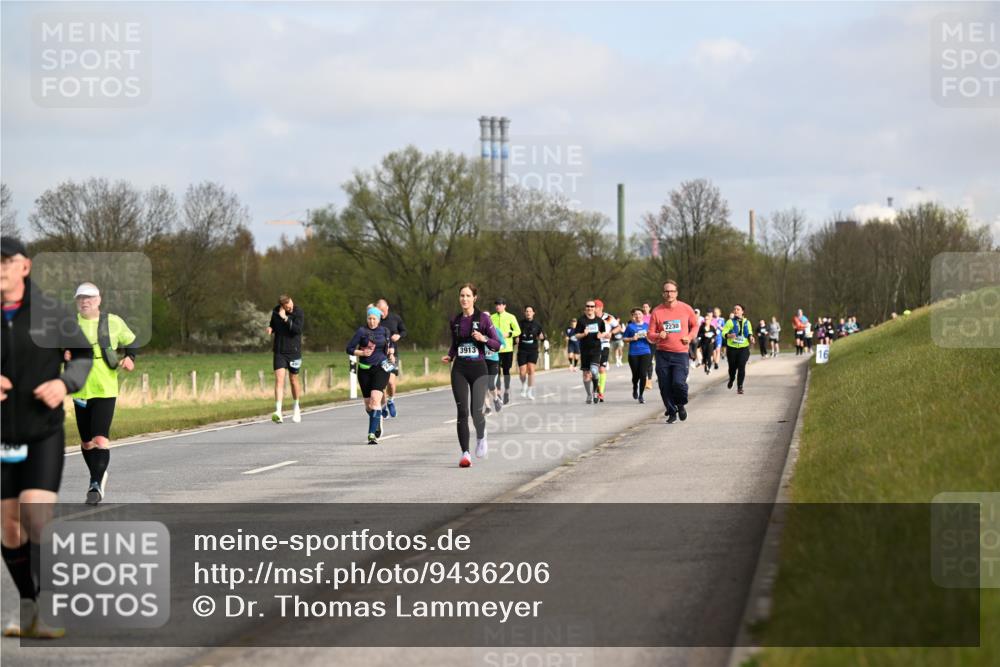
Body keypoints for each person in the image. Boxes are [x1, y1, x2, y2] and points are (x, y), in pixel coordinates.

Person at [1, 237, 93, 638]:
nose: (1, 267)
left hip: (42, 432)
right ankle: (29, 606)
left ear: (26, 266)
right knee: (8, 527)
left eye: (8, 260)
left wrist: (64, 382)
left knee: (36, 516)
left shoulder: (52, 312)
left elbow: (84, 355)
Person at [70, 282, 138, 505]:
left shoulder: (113, 322)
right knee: (87, 442)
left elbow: (132, 342)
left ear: (99, 300)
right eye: (81, 298)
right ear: (76, 301)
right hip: (80, 388)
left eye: (89, 298)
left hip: (105, 387)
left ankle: (95, 484)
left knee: (100, 438)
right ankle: (98, 475)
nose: (85, 301)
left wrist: (130, 358)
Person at [442, 284, 501, 467]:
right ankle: (465, 453)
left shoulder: (483, 319)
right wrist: (450, 355)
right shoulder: (455, 320)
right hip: (459, 368)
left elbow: (497, 344)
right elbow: (455, 343)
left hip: (479, 369)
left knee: (476, 413)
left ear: (475, 298)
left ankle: (482, 437)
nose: (464, 299)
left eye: (468, 295)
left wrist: (483, 339)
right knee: (462, 411)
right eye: (462, 295)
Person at [647, 280, 699, 424]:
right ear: (663, 293)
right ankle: (671, 411)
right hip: (662, 353)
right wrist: (658, 335)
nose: (669, 294)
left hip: (680, 353)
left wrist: (689, 337)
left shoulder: (686, 308)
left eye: (672, 291)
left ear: (676, 293)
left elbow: (695, 325)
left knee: (678, 383)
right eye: (666, 291)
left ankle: (680, 404)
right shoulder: (657, 311)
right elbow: (650, 334)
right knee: (665, 385)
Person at [346, 307, 394, 445]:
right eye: (369, 318)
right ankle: (377, 420)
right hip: (364, 370)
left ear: (379, 319)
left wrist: (391, 355)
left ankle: (371, 434)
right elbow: (348, 349)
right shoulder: (362, 331)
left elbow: (390, 346)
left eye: (374, 319)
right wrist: (361, 353)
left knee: (375, 400)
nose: (372, 321)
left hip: (381, 368)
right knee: (368, 406)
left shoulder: (385, 331)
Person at [267, 295, 304, 423]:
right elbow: (273, 324)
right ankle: (278, 411)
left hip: (294, 352)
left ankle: (296, 407)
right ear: (282, 306)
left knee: (293, 380)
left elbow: (297, 330)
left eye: (291, 304)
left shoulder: (298, 312)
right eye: (287, 306)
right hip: (279, 352)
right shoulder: (275, 312)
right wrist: (270, 329)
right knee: (279, 380)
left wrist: (285, 318)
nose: (290, 307)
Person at [376, 299, 406, 419]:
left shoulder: (395, 318)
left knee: (390, 383)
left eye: (383, 310)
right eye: (379, 311)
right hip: (379, 355)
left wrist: (399, 335)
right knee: (381, 384)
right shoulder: (375, 320)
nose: (381, 313)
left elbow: (404, 331)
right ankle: (383, 407)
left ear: (387, 308)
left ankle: (391, 400)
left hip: (391, 355)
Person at [573, 300, 606, 405]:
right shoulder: (581, 321)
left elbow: (604, 331)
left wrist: (601, 335)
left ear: (595, 308)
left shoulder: (599, 321)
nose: (590, 308)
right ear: (585, 308)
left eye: (592, 306)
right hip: (585, 350)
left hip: (596, 349)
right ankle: (589, 394)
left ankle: (595, 391)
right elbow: (576, 335)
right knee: (586, 374)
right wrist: (584, 334)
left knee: (595, 371)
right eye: (588, 306)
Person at [490, 298, 520, 405]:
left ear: (504, 306)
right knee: (496, 371)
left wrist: (509, 334)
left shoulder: (511, 317)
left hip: (507, 348)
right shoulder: (491, 317)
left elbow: (518, 330)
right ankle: (498, 392)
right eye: (496, 305)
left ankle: (506, 391)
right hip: (495, 349)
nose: (498, 306)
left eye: (500, 304)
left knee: (506, 371)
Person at [722, 304, 754, 394]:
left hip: (743, 348)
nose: (735, 310)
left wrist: (751, 337)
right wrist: (729, 335)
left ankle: (740, 386)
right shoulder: (730, 322)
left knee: (741, 366)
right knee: (732, 368)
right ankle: (732, 379)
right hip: (732, 348)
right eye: (734, 309)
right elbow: (723, 333)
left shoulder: (747, 322)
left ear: (742, 311)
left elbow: (749, 332)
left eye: (738, 309)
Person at [594, 299, 621, 403]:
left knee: (601, 369)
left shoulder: (608, 317)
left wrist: (611, 333)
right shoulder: (589, 318)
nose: (592, 309)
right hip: (592, 346)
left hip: (604, 345)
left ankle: (600, 392)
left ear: (600, 308)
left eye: (594, 307)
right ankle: (597, 387)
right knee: (593, 370)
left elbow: (618, 327)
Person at [622, 308, 651, 403]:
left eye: (639, 314)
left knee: (643, 374)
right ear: (633, 316)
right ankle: (635, 387)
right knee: (636, 375)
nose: (638, 316)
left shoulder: (647, 326)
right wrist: (632, 338)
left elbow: (652, 340)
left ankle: (641, 395)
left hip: (645, 352)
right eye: (636, 314)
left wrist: (648, 337)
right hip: (633, 353)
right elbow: (624, 339)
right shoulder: (630, 327)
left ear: (643, 315)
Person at [515, 306, 545, 400]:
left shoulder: (537, 324)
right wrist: (516, 338)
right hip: (522, 350)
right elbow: (515, 334)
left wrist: (543, 339)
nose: (528, 313)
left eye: (530, 311)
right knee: (522, 372)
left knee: (531, 370)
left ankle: (530, 391)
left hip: (533, 350)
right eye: (527, 311)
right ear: (525, 313)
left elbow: (542, 336)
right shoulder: (520, 323)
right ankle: (524, 385)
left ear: (533, 313)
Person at [483, 324, 506, 415]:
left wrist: (496, 348)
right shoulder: (478, 331)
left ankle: (496, 399)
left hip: (493, 361)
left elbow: (503, 344)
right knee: (483, 385)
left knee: (491, 384)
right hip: (482, 361)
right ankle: (488, 408)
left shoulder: (496, 330)